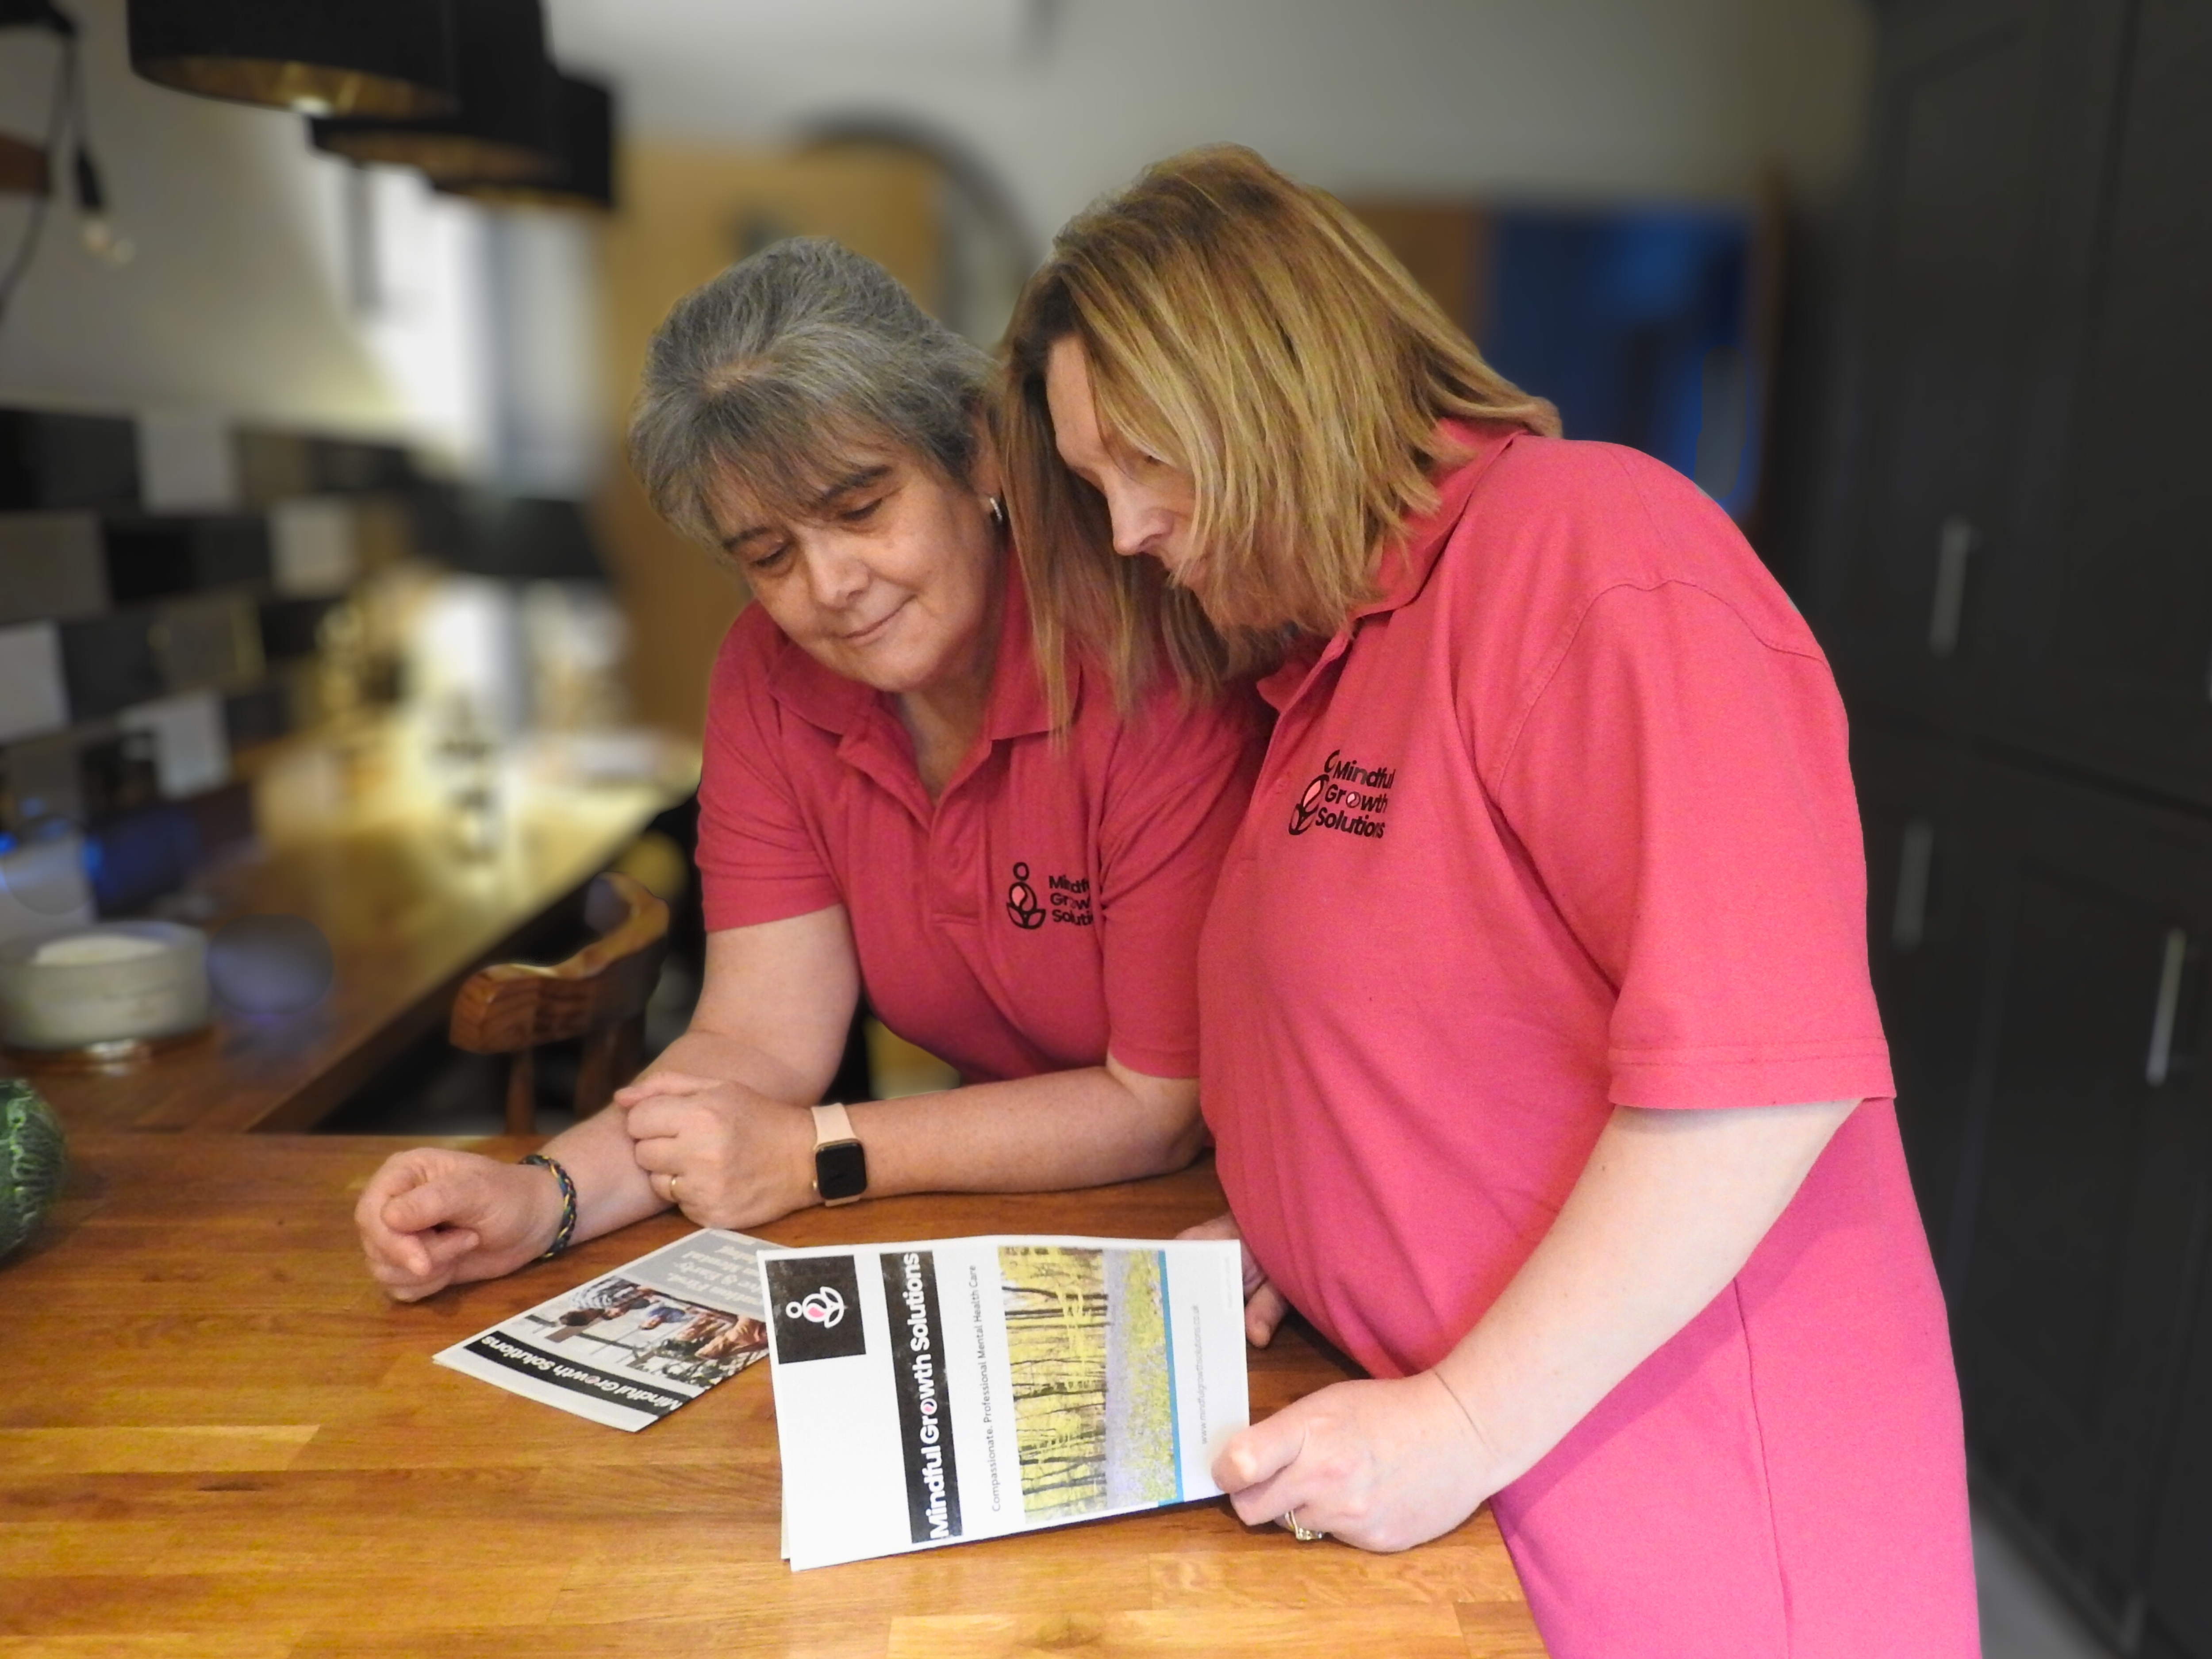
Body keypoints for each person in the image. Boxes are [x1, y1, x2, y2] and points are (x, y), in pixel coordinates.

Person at [998, 147, 1976, 1659]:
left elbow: (1760, 1091)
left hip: (1683, 1488)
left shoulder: (1591, 552)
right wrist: (1298, 1214)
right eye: (1088, 484)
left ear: (1274, 383)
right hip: (1471, 1480)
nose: (1126, 530)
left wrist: (1460, 1418)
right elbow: (1429, 1025)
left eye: (1141, 459)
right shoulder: (1324, 662)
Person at [356, 238, 1260, 1302]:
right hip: (982, 1215)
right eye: (769, 555)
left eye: (860, 507)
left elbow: (1157, 1110)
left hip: (1211, 1231)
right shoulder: (767, 674)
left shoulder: (1148, 665)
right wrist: (543, 1199)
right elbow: (755, 1038)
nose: (830, 585)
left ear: (976, 455)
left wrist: (816, 1153)